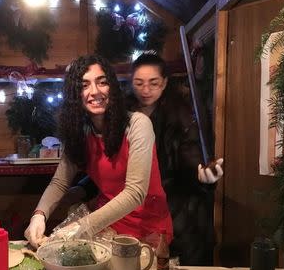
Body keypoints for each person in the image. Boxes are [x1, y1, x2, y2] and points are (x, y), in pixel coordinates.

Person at [65, 53, 224, 265]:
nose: (146, 90)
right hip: (128, 212)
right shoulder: (119, 113)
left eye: (153, 83)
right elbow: (112, 165)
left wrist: (201, 176)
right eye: (139, 83)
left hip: (173, 205)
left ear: (165, 82)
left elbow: (189, 157)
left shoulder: (180, 115)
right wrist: (85, 187)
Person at [24, 55, 173, 248]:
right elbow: (60, 181)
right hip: (106, 225)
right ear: (75, 94)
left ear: (112, 87)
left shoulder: (138, 124)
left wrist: (81, 226)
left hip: (147, 226)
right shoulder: (81, 131)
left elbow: (135, 193)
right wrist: (39, 215)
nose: (94, 92)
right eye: (84, 85)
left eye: (102, 82)